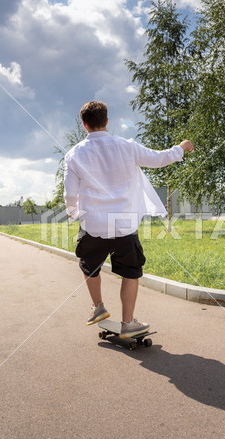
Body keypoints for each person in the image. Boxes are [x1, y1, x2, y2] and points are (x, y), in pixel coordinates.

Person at [64, 101, 193, 339]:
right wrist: (181, 148)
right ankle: (128, 322)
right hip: (124, 225)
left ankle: (98, 307)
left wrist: (74, 214)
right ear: (107, 121)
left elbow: (71, 194)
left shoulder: (74, 154)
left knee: (88, 265)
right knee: (131, 272)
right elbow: (160, 158)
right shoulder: (127, 146)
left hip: (93, 225)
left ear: (84, 125)